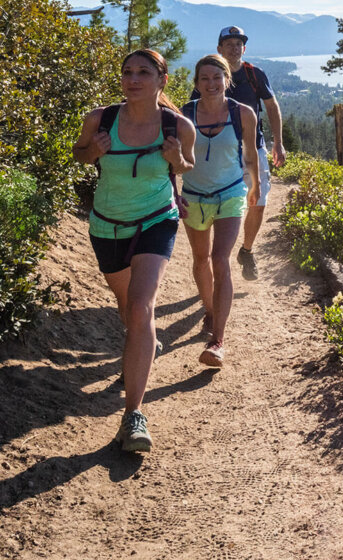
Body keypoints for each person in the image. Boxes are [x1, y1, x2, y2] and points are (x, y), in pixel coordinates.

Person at [73, 49, 195, 453]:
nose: (133, 79)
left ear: (162, 80)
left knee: (142, 306)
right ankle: (140, 344)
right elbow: (79, 154)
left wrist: (176, 158)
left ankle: (133, 416)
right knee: (128, 310)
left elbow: (186, 166)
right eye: (127, 72)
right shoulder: (100, 119)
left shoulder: (177, 125)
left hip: (156, 220)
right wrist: (95, 152)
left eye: (144, 72)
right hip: (106, 226)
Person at [181, 54, 260, 367]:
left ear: (228, 79)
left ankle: (218, 340)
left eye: (217, 78)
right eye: (204, 79)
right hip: (194, 197)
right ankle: (210, 311)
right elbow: (172, 159)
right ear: (197, 83)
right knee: (200, 260)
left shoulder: (243, 114)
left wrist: (253, 187)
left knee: (219, 258)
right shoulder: (184, 114)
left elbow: (250, 155)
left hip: (230, 194)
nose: (211, 84)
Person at [217, 25, 286, 280]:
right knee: (223, 205)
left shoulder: (254, 74)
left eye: (239, 44)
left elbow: (271, 105)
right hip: (221, 150)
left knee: (257, 203)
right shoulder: (212, 75)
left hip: (253, 148)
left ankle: (246, 250)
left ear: (244, 48)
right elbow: (194, 110)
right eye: (229, 44)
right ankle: (220, 256)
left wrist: (277, 142)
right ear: (219, 49)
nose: (234, 48)